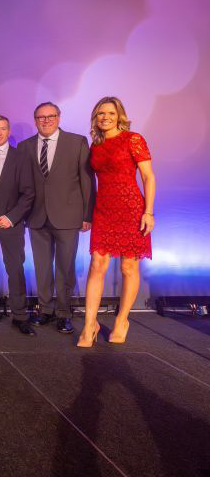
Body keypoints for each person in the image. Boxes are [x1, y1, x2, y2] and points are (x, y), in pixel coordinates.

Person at [78, 97, 155, 347]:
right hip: (104, 209)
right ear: (95, 117)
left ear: (119, 115)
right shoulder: (96, 145)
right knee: (97, 265)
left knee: (128, 268)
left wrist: (149, 212)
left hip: (131, 208)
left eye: (110, 113)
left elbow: (148, 176)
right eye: (100, 113)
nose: (105, 117)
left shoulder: (134, 139)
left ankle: (122, 319)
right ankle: (90, 324)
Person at [19, 102, 94, 334]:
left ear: (59, 117)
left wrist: (87, 214)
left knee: (65, 267)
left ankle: (63, 313)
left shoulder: (77, 141)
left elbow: (87, 180)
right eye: (41, 117)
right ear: (35, 120)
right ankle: (45, 310)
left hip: (68, 216)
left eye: (51, 116)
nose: (46, 120)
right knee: (41, 268)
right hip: (36, 217)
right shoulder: (24, 146)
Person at [0, 115, 36, 335]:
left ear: (8, 131)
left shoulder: (20, 157)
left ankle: (20, 315)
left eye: (2, 129)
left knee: (15, 267)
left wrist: (12, 217)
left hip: (10, 221)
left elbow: (29, 193)